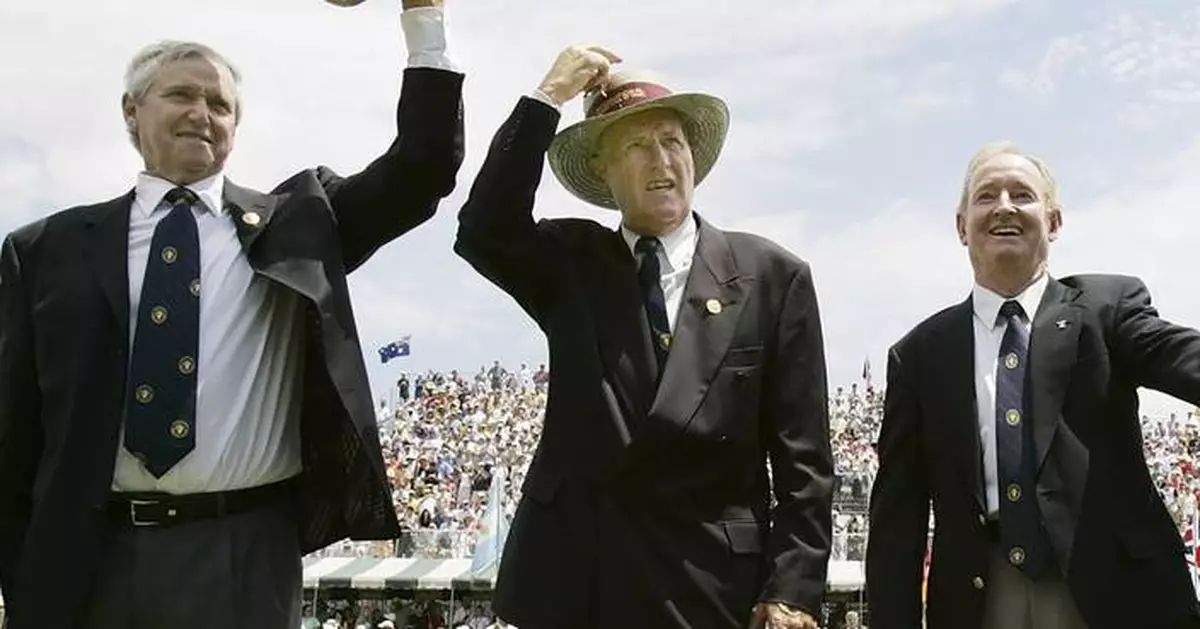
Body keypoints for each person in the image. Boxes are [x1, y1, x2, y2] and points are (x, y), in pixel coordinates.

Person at [0, 2, 464, 627]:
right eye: (181, 95)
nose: (202, 114)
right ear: (132, 111)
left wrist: (425, 19)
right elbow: (12, 437)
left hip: (245, 551)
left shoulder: (298, 223)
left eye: (220, 105)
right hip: (90, 552)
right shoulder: (44, 250)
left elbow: (422, 168)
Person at [454, 44, 833, 629]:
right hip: (579, 584)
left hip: (713, 587)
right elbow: (483, 228)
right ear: (603, 170)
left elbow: (804, 461)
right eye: (636, 145)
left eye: (672, 141)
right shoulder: (571, 263)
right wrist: (544, 99)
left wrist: (793, 588)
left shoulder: (771, 276)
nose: (661, 160)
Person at [865, 142, 1200, 629]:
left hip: (1112, 587)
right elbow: (899, 516)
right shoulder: (919, 354)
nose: (1004, 206)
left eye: (1022, 194)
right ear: (962, 226)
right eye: (986, 196)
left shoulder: (1107, 309)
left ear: (1054, 221)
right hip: (982, 598)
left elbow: (1178, 355)